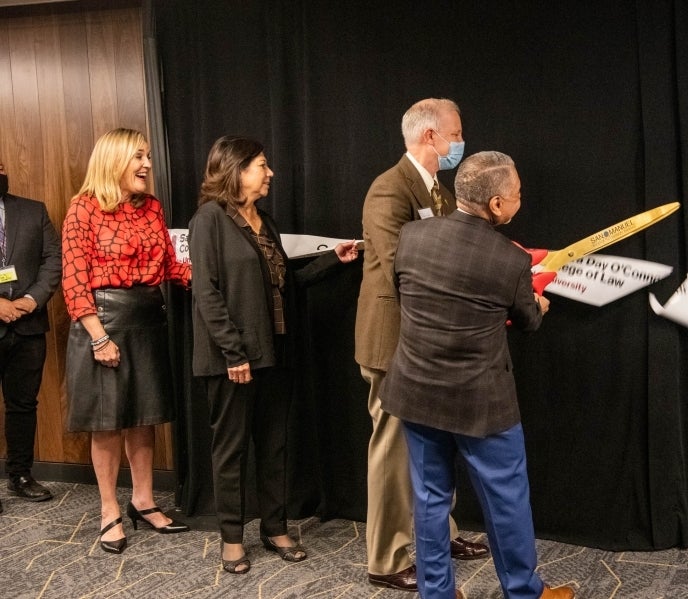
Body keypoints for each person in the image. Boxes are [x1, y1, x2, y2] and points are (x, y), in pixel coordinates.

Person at [380, 151, 574, 599]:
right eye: (517, 194)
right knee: (506, 502)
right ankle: (524, 592)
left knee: (429, 500)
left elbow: (408, 293)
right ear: (497, 206)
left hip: (417, 392)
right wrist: (539, 300)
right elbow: (528, 321)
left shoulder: (411, 236)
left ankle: (437, 593)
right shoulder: (510, 262)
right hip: (482, 403)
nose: (520, 200)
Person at [189, 135, 359, 574]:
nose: (270, 173)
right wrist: (233, 352)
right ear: (236, 170)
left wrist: (332, 261)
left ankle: (275, 526)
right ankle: (231, 537)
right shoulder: (209, 219)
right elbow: (206, 293)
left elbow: (286, 282)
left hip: (275, 353)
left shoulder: (266, 221)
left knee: (274, 445)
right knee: (231, 450)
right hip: (232, 359)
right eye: (262, 165)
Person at [355, 98, 488, 591]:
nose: (460, 143)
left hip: (431, 342)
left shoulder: (442, 192)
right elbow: (398, 266)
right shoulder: (389, 190)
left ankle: (439, 534)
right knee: (392, 452)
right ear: (429, 136)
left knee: (436, 444)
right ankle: (386, 559)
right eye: (455, 133)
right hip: (393, 343)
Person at [61, 128, 191, 553]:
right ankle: (108, 511)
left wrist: (216, 277)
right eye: (139, 155)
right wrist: (99, 339)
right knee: (108, 421)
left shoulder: (151, 206)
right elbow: (75, 281)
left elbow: (172, 265)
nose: (147, 164)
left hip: (149, 317)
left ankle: (143, 500)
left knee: (143, 416)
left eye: (148, 155)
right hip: (104, 322)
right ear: (114, 159)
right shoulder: (83, 208)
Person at [0, 161, 61, 513]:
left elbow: (53, 259)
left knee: (23, 405)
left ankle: (21, 475)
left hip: (28, 325)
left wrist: (30, 299)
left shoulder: (33, 210)